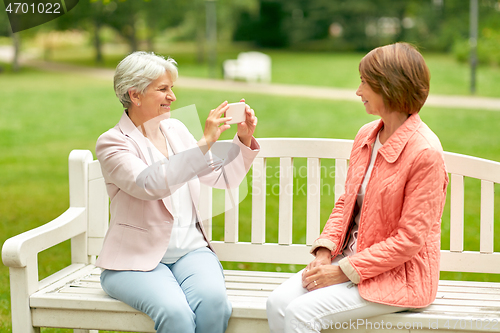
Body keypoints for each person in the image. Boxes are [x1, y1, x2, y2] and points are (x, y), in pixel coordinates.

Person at [266, 42, 449, 333]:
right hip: (348, 261)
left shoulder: (425, 152)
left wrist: (341, 271)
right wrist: (325, 252)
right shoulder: (367, 135)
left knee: (301, 313)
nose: (358, 91)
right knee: (277, 303)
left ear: (390, 87)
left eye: (365, 83)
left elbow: (409, 240)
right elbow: (346, 203)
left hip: (398, 277)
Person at [95, 51, 259, 333]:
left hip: (190, 252)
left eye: (172, 88)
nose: (172, 97)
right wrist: (205, 143)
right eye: (163, 89)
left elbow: (222, 178)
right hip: (134, 262)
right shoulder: (113, 143)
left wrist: (242, 139)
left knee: (214, 303)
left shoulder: (176, 129)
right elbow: (150, 184)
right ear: (135, 95)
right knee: (175, 314)